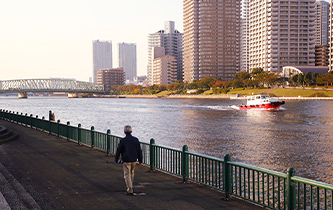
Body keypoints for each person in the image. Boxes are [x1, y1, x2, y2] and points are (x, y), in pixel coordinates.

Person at [115, 125, 143, 196]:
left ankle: (130, 190)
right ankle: (130, 187)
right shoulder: (135, 140)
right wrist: (140, 160)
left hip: (126, 159)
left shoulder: (123, 140)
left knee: (127, 175)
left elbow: (119, 150)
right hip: (134, 159)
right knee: (131, 173)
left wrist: (116, 159)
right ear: (131, 131)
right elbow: (139, 150)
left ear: (124, 132)